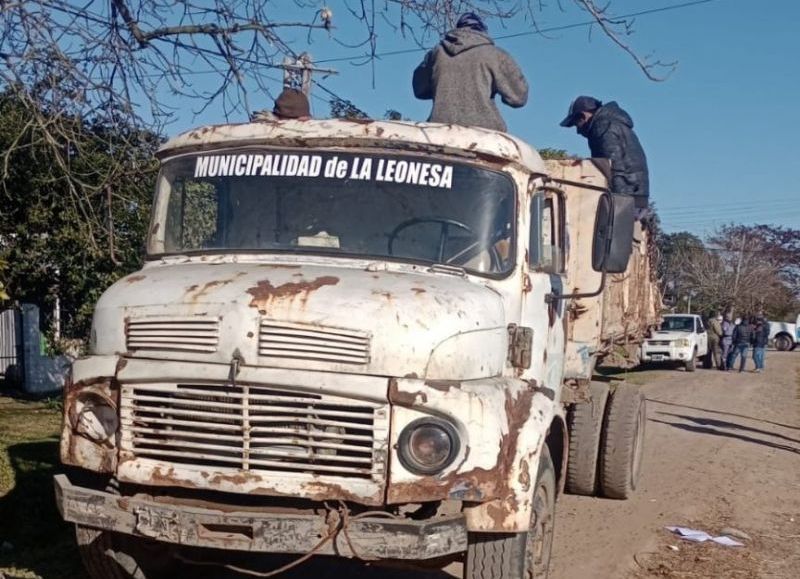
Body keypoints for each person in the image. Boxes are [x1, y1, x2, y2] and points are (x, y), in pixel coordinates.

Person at [412, 12, 528, 132]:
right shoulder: (495, 55)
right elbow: (519, 97)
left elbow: (419, 89)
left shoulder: (436, 54)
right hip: (486, 133)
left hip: (440, 130)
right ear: (482, 31)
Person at [560, 96, 649, 217]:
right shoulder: (615, 123)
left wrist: (617, 204)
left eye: (577, 124)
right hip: (637, 193)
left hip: (626, 195)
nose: (578, 131)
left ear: (583, 116)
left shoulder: (602, 126)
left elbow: (613, 166)